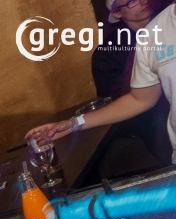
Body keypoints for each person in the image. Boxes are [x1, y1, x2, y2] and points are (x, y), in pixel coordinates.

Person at [27, 1, 176, 165]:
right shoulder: (148, 36)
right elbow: (139, 99)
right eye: (131, 0)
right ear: (117, 12)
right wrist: (73, 124)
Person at [90, 0, 173, 165]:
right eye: (132, 1)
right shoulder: (108, 52)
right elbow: (120, 101)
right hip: (156, 130)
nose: (143, 1)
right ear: (117, 13)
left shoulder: (169, 18)